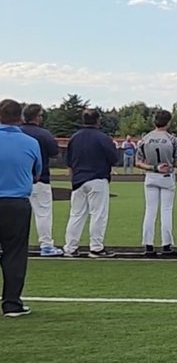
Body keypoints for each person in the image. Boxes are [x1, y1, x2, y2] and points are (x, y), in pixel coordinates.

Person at [1, 99, 41, 317]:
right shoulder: (30, 142)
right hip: (16, 203)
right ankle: (11, 303)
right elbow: (37, 172)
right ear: (19, 117)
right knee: (15, 254)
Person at [63, 108, 120, 257]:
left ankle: (70, 247)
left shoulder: (75, 138)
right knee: (98, 214)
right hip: (97, 178)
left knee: (76, 214)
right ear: (98, 120)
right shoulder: (102, 137)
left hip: (78, 180)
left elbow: (69, 162)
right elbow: (114, 158)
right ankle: (96, 247)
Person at [134, 109, 177, 257]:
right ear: (168, 122)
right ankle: (166, 245)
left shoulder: (145, 139)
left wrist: (153, 167)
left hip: (151, 175)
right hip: (167, 176)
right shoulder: (174, 140)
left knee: (150, 211)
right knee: (166, 211)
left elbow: (138, 162)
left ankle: (148, 246)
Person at [19, 104, 63, 256]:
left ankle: (12, 246)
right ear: (37, 117)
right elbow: (55, 154)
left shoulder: (17, 132)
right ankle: (46, 246)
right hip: (40, 179)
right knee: (43, 214)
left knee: (15, 215)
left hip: (18, 180)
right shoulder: (44, 134)